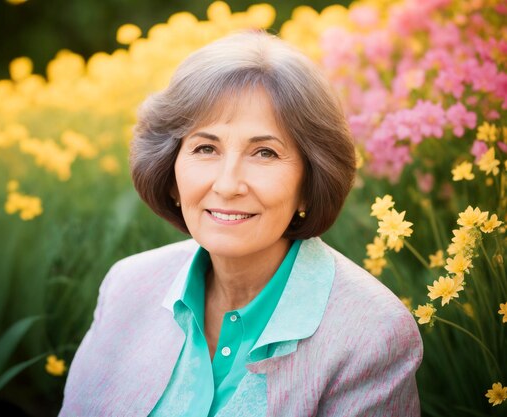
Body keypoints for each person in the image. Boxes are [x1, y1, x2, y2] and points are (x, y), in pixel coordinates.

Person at [60, 30, 423, 416]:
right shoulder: (127, 286)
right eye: (206, 148)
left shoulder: (373, 334)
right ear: (170, 171)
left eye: (264, 152)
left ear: (309, 182)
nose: (228, 184)